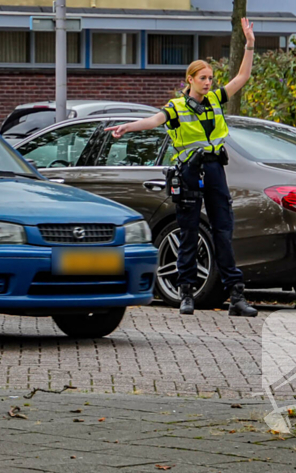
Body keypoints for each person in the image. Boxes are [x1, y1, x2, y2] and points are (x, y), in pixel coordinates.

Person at [108, 17, 258, 318]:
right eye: (202, 78)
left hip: (215, 170)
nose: (208, 82)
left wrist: (250, 45)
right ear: (190, 80)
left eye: (210, 78)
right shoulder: (176, 108)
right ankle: (186, 293)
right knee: (188, 234)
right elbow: (154, 121)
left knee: (223, 232)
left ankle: (236, 296)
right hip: (189, 172)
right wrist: (127, 127)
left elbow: (241, 77)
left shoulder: (216, 99)